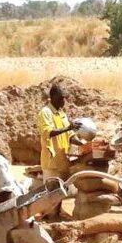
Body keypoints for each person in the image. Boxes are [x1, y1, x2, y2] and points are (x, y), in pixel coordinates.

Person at [37, 83, 84, 218]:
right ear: (52, 97)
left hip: (62, 160)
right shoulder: (45, 113)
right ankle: (49, 220)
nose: (64, 101)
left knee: (61, 194)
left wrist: (83, 144)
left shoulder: (62, 114)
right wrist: (69, 128)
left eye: (65, 98)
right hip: (51, 162)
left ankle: (55, 218)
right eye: (61, 98)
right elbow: (48, 132)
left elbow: (69, 136)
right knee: (52, 196)